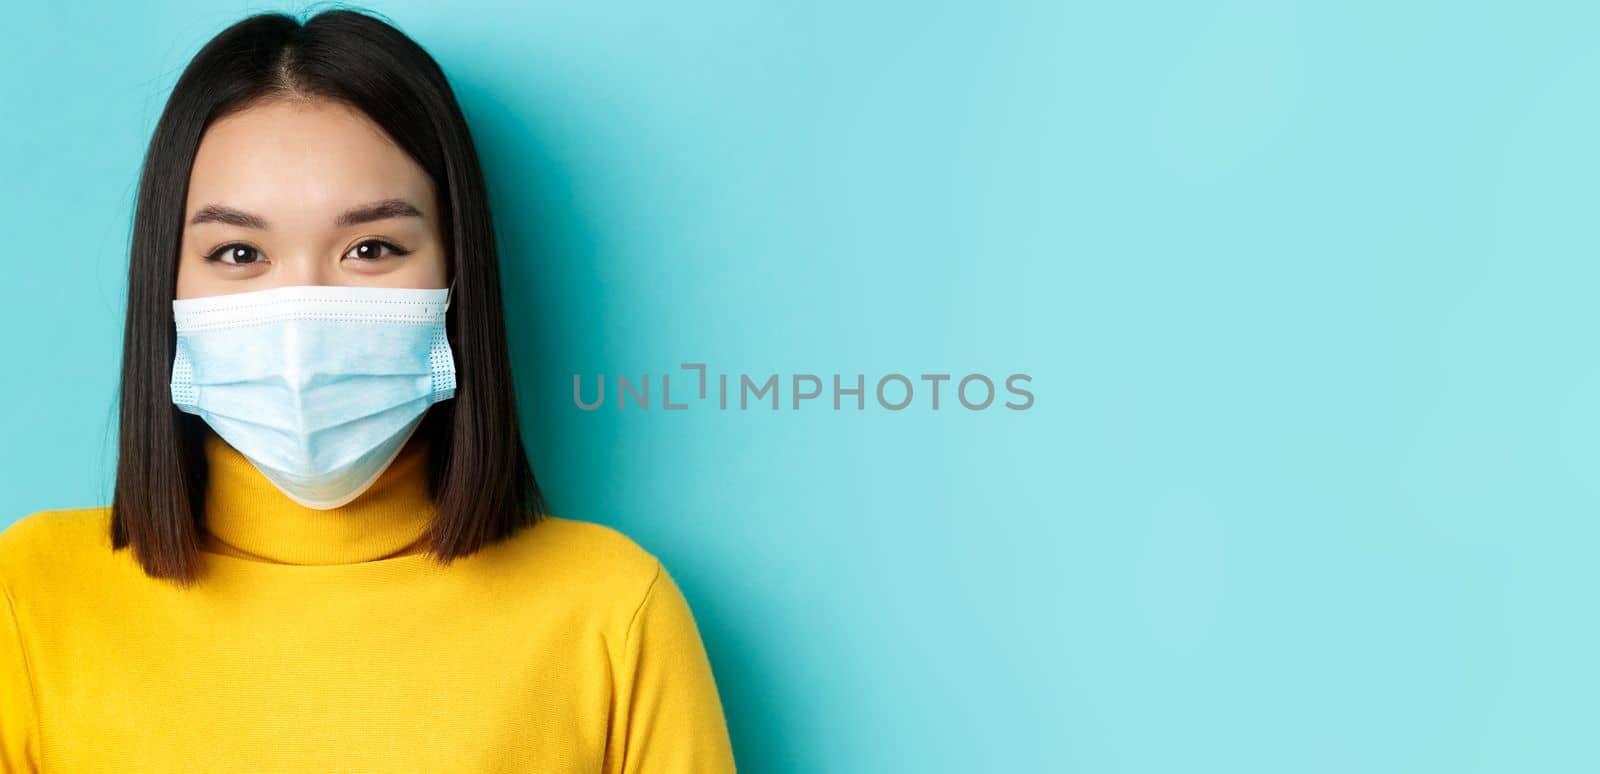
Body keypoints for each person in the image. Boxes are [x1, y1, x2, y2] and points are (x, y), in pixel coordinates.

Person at [0, 8, 737, 772]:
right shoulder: (29, 600)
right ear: (167, 282)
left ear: (456, 272)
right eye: (240, 251)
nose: (302, 309)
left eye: (371, 247)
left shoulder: (611, 613)